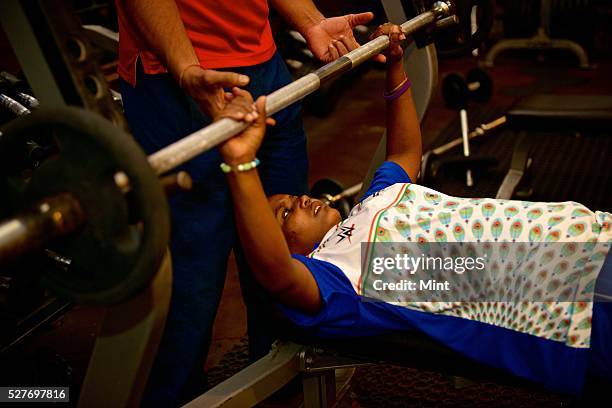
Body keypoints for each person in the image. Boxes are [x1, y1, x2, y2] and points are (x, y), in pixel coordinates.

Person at [217, 23, 612, 396]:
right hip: (560, 299)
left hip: (581, 233)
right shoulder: (333, 278)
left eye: (290, 198)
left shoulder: (372, 201)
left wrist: (395, 67)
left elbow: (405, 152)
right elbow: (276, 272)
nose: (300, 200)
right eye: (285, 215)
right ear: (292, 254)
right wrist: (241, 163)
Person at [114, 0, 376, 405]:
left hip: (264, 62)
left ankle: (282, 386)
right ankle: (172, 397)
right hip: (176, 73)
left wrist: (312, 23)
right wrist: (186, 69)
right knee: (193, 268)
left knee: (282, 245)